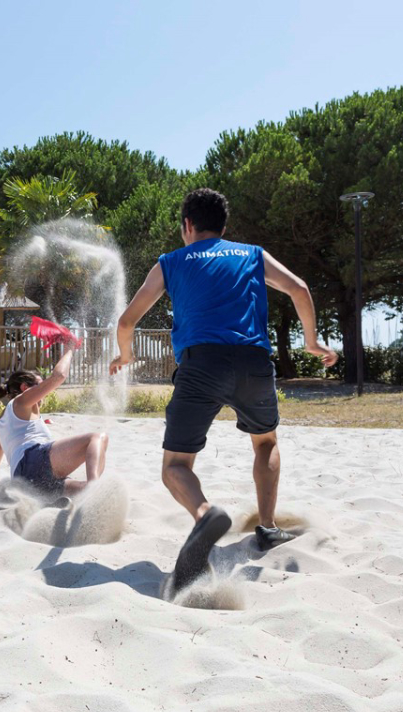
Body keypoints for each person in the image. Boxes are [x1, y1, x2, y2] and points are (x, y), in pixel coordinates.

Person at [110, 187, 337, 595]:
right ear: (224, 227)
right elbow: (300, 289)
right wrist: (311, 342)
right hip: (253, 362)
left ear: (187, 226)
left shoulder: (170, 262)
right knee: (265, 442)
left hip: (201, 365)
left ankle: (204, 514)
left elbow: (127, 321)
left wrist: (125, 357)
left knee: (176, 466)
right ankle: (267, 530)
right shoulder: (250, 253)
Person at [0, 346, 109, 498]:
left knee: (82, 491)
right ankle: (94, 487)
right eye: (39, 386)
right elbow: (59, 376)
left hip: (25, 484)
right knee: (98, 438)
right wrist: (69, 350)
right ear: (25, 388)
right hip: (33, 461)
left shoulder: (2, 428)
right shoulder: (21, 401)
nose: (44, 392)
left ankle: (82, 493)